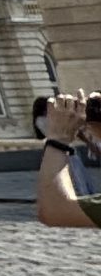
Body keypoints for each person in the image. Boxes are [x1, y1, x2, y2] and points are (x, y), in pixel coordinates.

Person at [34, 92, 101, 229]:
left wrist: (59, 140)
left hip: (61, 152)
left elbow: (54, 211)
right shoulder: (41, 120)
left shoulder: (47, 120)